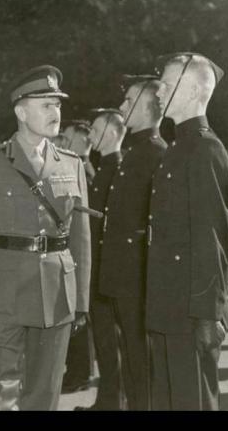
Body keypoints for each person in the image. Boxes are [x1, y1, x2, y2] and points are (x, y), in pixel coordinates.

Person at [0, 64, 92, 411]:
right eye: (46, 105)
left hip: (56, 294)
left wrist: (80, 300)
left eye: (57, 104)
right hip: (2, 293)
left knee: (45, 392)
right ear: (21, 111)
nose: (55, 112)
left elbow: (81, 239)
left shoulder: (71, 164)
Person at [146, 52, 228, 411]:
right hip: (169, 304)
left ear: (194, 90)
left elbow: (213, 237)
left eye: (166, 85)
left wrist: (208, 314)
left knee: (191, 402)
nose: (158, 92)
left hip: (189, 310)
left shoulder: (205, 149)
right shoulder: (179, 147)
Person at [98, 75, 168, 411]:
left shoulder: (157, 153)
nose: (122, 106)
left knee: (143, 364)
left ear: (147, 106)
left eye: (128, 101)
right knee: (133, 361)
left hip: (140, 280)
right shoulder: (136, 153)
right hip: (126, 278)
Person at [73, 107, 127, 411]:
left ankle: (113, 403)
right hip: (97, 268)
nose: (90, 135)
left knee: (110, 340)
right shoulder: (105, 168)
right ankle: (107, 401)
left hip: (107, 271)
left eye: (95, 129)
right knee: (105, 341)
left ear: (112, 132)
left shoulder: (117, 168)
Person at [60, 118, 97, 394]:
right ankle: (78, 370)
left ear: (84, 140)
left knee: (80, 314)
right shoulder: (76, 166)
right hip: (77, 249)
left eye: (68, 138)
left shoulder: (83, 169)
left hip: (83, 250)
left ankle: (79, 372)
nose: (63, 142)